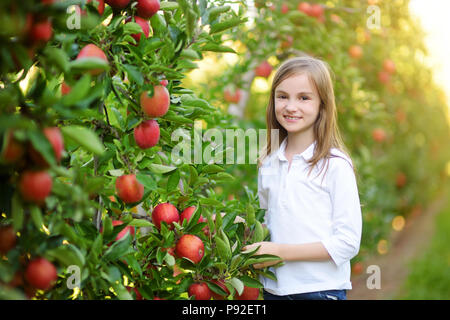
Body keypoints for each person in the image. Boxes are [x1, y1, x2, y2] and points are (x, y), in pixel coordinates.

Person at [243, 56, 363, 300]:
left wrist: (279, 252)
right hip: (274, 290)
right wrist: (244, 229)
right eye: (283, 96)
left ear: (322, 105)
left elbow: (348, 242)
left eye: (304, 98)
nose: (290, 106)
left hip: (319, 290)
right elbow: (273, 222)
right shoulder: (268, 162)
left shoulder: (334, 165)